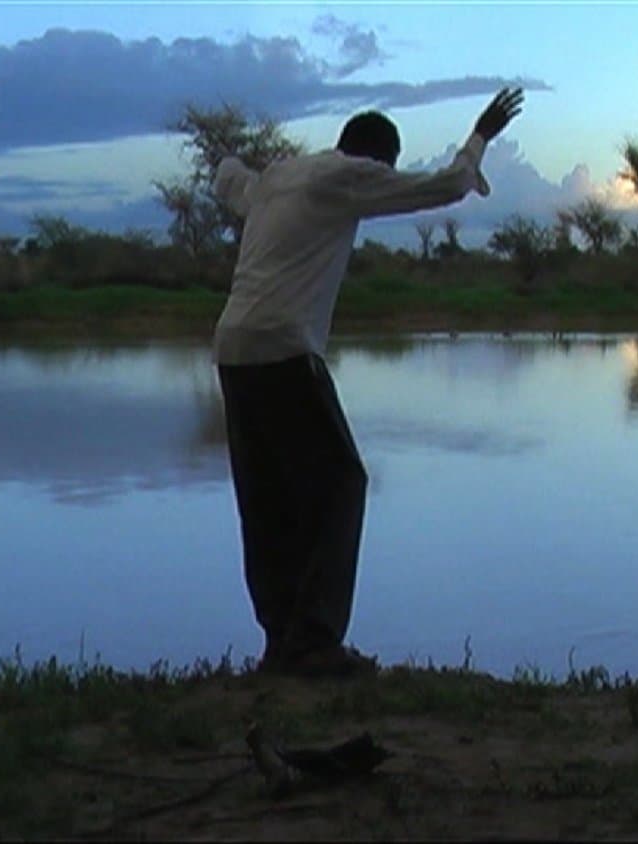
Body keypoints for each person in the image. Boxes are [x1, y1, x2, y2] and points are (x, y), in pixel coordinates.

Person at [212, 89, 525, 678]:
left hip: (233, 348)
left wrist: (225, 153)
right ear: (377, 160)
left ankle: (281, 641)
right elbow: (446, 185)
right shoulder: (348, 177)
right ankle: (314, 641)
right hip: (284, 346)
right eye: (386, 169)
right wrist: (481, 135)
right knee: (341, 483)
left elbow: (231, 181)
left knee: (267, 499)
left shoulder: (279, 178)